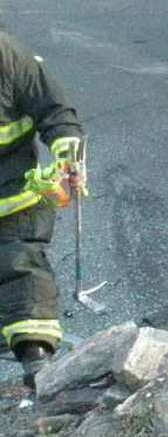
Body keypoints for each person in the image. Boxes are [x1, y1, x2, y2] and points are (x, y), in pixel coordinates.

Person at [0, 32, 85, 387]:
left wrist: (68, 156)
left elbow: (55, 110)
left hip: (15, 199)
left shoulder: (10, 58)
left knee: (21, 268)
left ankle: (37, 362)